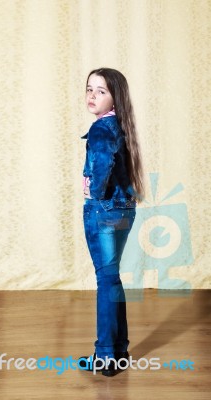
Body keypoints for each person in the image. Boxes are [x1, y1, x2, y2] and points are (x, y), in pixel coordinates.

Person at [78, 68, 145, 377]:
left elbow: (102, 164)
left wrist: (94, 187)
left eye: (101, 91)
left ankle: (105, 355)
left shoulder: (101, 129)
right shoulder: (120, 125)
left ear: (115, 97)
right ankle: (119, 350)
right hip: (124, 209)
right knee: (112, 278)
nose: (93, 95)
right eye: (89, 89)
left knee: (105, 280)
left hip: (103, 210)